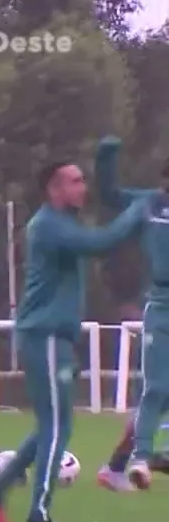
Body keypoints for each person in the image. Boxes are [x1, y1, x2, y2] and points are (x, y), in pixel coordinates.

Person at [0, 162, 145, 522]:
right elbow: (102, 243)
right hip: (45, 336)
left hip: (56, 337)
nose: (83, 188)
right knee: (55, 427)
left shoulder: (62, 225)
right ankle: (38, 516)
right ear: (54, 189)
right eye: (75, 181)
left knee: (56, 424)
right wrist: (138, 210)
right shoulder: (50, 225)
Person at [93, 138, 169, 488]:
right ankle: (138, 460)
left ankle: (125, 463)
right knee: (157, 390)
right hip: (163, 308)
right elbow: (109, 195)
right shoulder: (148, 205)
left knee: (160, 397)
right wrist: (106, 157)